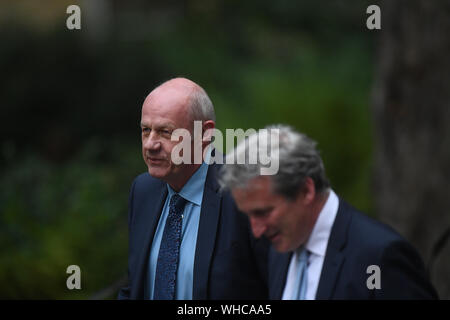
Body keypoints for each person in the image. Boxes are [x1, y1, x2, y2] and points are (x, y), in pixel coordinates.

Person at [219, 124, 438, 299]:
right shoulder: (281, 248)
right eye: (248, 215)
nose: (256, 231)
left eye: (264, 212)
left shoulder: (379, 257)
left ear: (306, 190)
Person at [118, 78, 268, 299]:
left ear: (205, 134)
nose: (150, 144)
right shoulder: (143, 190)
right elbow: (135, 289)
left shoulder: (247, 194)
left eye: (165, 132)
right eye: (145, 130)